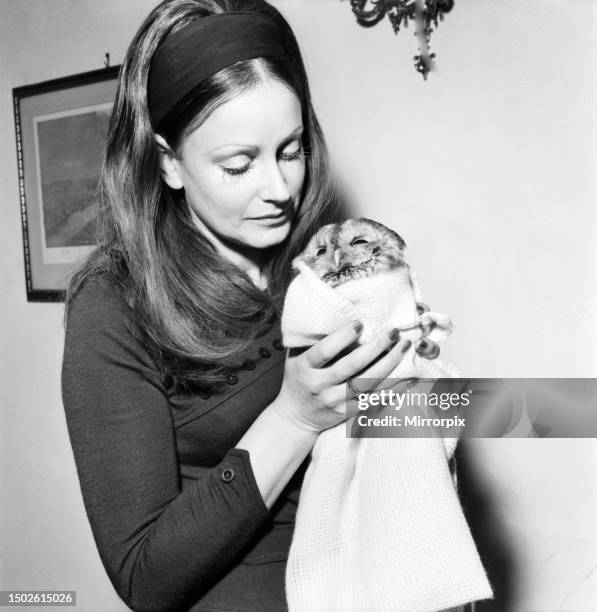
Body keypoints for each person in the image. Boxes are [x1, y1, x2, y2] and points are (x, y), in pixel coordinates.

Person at [61, 1, 413, 610]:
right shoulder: (114, 305)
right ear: (169, 161)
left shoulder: (322, 259)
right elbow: (144, 578)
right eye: (238, 164)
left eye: (291, 150)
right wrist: (294, 418)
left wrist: (426, 388)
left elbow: (396, 438)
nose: (278, 191)